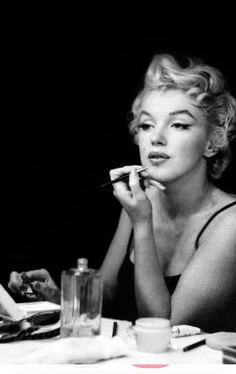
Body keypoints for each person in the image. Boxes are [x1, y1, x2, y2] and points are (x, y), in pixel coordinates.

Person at [8, 53, 236, 333]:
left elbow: (164, 330)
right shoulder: (143, 200)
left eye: (178, 124)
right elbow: (108, 295)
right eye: (146, 125)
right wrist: (60, 298)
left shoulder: (230, 224)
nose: (157, 137)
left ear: (212, 143)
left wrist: (142, 223)